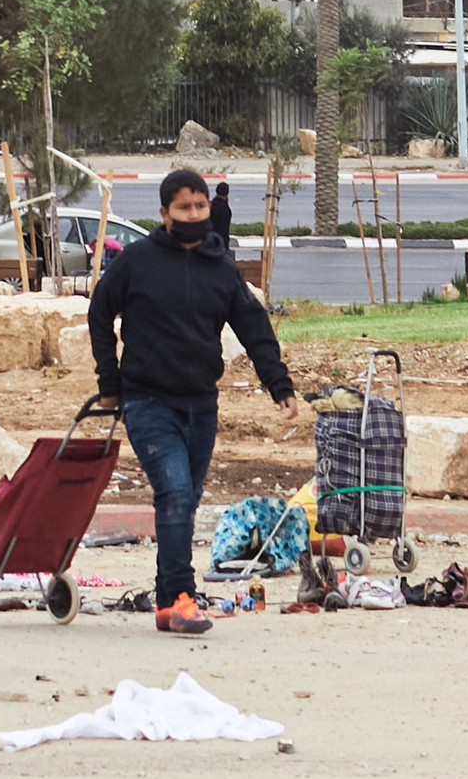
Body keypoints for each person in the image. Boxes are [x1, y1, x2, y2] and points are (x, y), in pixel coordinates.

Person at [86, 168, 304, 635]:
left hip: (201, 405)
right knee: (176, 491)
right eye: (183, 208)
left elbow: (253, 327)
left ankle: (169, 602)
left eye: (200, 207)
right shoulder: (138, 261)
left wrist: (279, 386)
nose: (193, 215)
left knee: (184, 500)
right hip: (147, 401)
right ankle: (179, 597)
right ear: (164, 214)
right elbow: (99, 312)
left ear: (211, 209)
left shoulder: (219, 265)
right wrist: (110, 381)